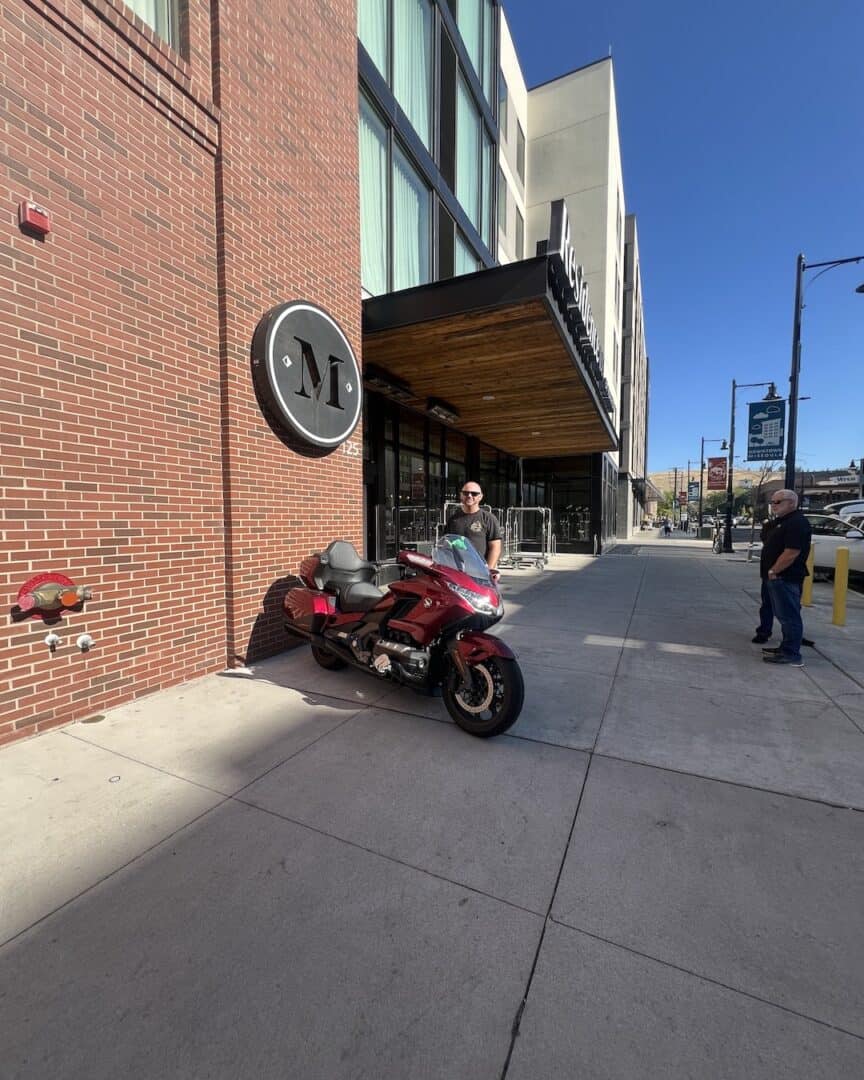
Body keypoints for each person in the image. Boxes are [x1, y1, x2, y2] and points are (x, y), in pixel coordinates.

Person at [758, 490, 812, 666]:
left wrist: (774, 571)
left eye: (778, 502)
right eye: (772, 502)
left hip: (785, 577)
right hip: (777, 577)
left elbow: (792, 552)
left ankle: (791, 654)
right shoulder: (783, 522)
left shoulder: (797, 523)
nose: (774, 505)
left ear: (791, 503)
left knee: (789, 616)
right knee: (783, 616)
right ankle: (785, 647)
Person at [445, 483, 502, 576]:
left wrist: (489, 571)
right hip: (457, 572)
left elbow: (495, 547)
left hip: (480, 572)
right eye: (466, 493)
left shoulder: (488, 518)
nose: (469, 496)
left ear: (480, 496)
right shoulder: (453, 519)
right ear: (461, 495)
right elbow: (447, 544)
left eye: (474, 493)